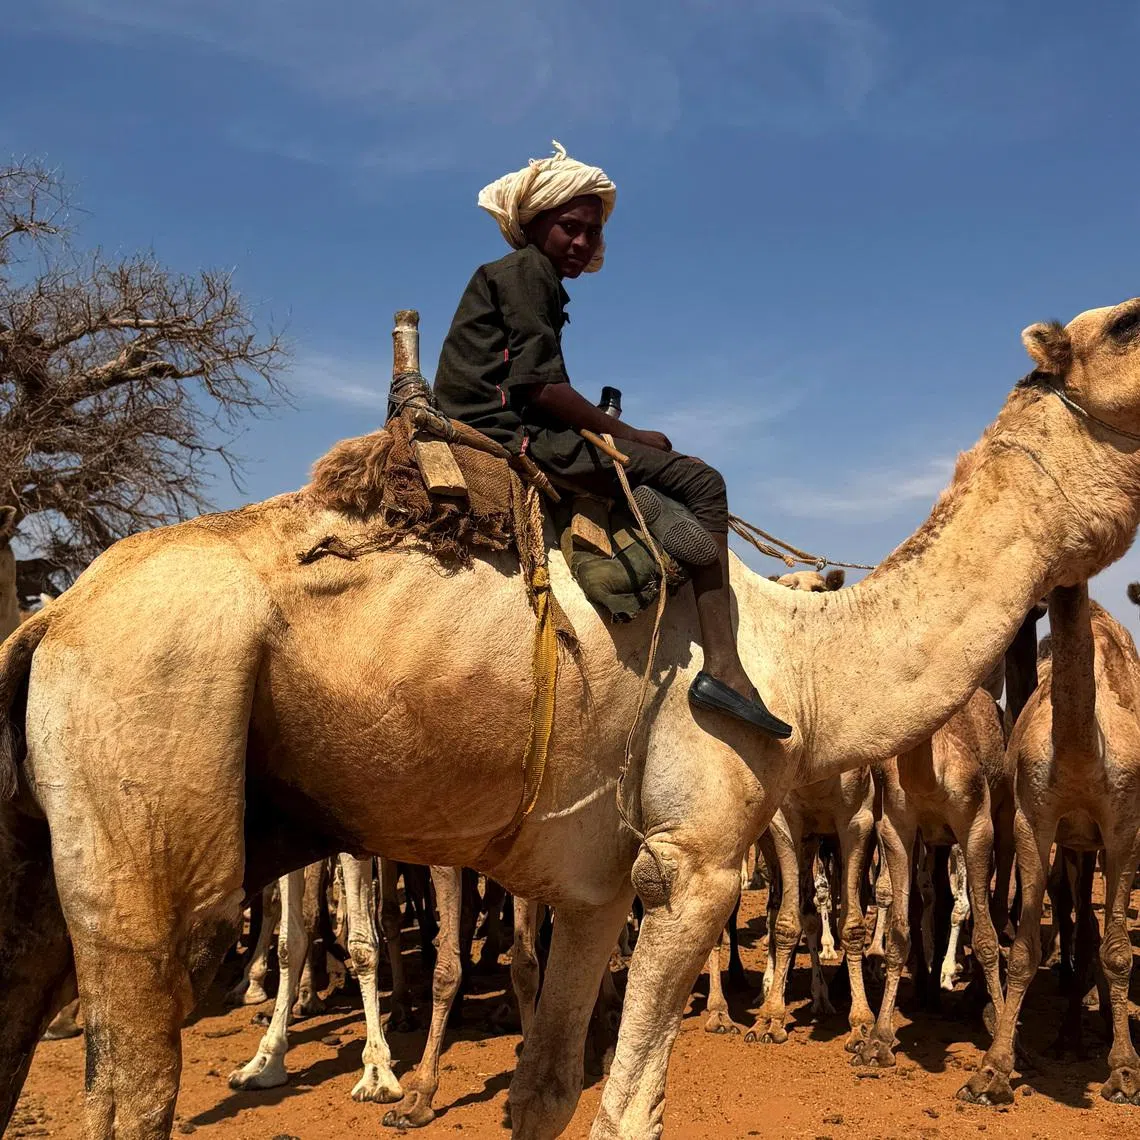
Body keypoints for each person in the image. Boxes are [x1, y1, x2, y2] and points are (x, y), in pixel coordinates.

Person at [433, 142, 791, 740]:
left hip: (505, 421)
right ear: (535, 223)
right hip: (505, 433)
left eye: (590, 232)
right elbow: (540, 387)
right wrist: (626, 433)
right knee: (703, 480)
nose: (581, 242)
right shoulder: (527, 273)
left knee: (655, 468)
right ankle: (725, 669)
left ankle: (660, 536)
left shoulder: (526, 277)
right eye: (569, 227)